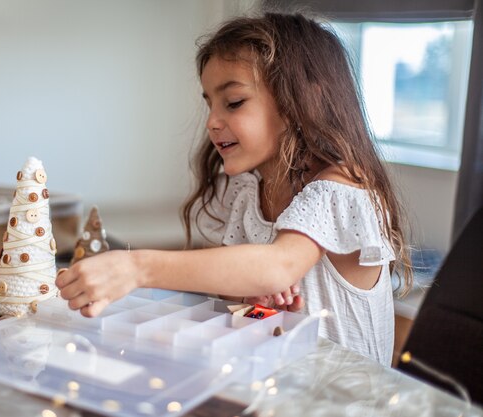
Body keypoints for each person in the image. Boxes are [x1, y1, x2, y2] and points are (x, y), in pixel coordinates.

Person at [55, 12, 413, 366]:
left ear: (303, 101)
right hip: (278, 387)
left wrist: (137, 267)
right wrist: (249, 294)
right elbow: (236, 288)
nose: (211, 122)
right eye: (209, 103)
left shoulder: (343, 188)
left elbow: (279, 265)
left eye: (234, 102)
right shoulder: (247, 191)